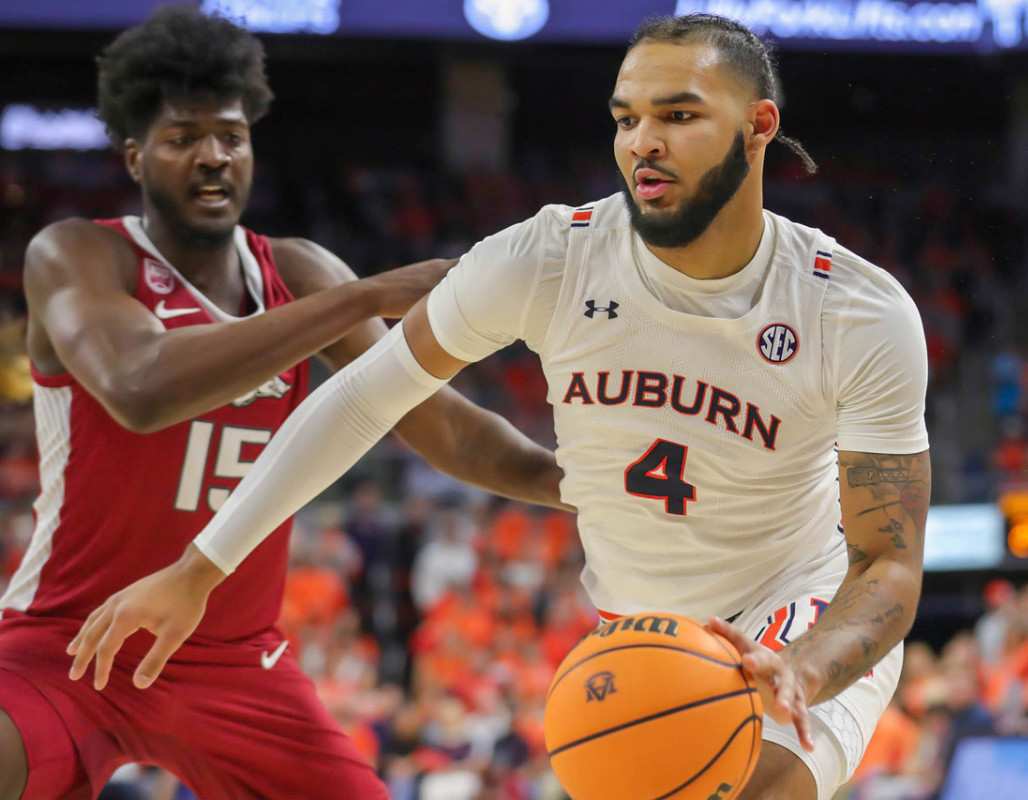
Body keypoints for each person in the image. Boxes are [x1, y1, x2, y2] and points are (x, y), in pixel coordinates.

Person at [71, 13, 931, 800]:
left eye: (678, 115)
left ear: (759, 126)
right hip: (640, 623)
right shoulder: (546, 258)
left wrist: (808, 666)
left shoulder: (856, 310)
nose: (643, 143)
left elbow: (887, 566)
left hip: (794, 603)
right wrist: (200, 568)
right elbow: (365, 400)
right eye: (626, 118)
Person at [0, 7, 566, 800]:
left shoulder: (296, 271)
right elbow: (140, 388)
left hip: (230, 656)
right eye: (182, 137)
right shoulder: (78, 254)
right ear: (133, 155)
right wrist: (360, 295)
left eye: (231, 136)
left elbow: (446, 429)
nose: (213, 157)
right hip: (65, 639)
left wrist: (577, 481)